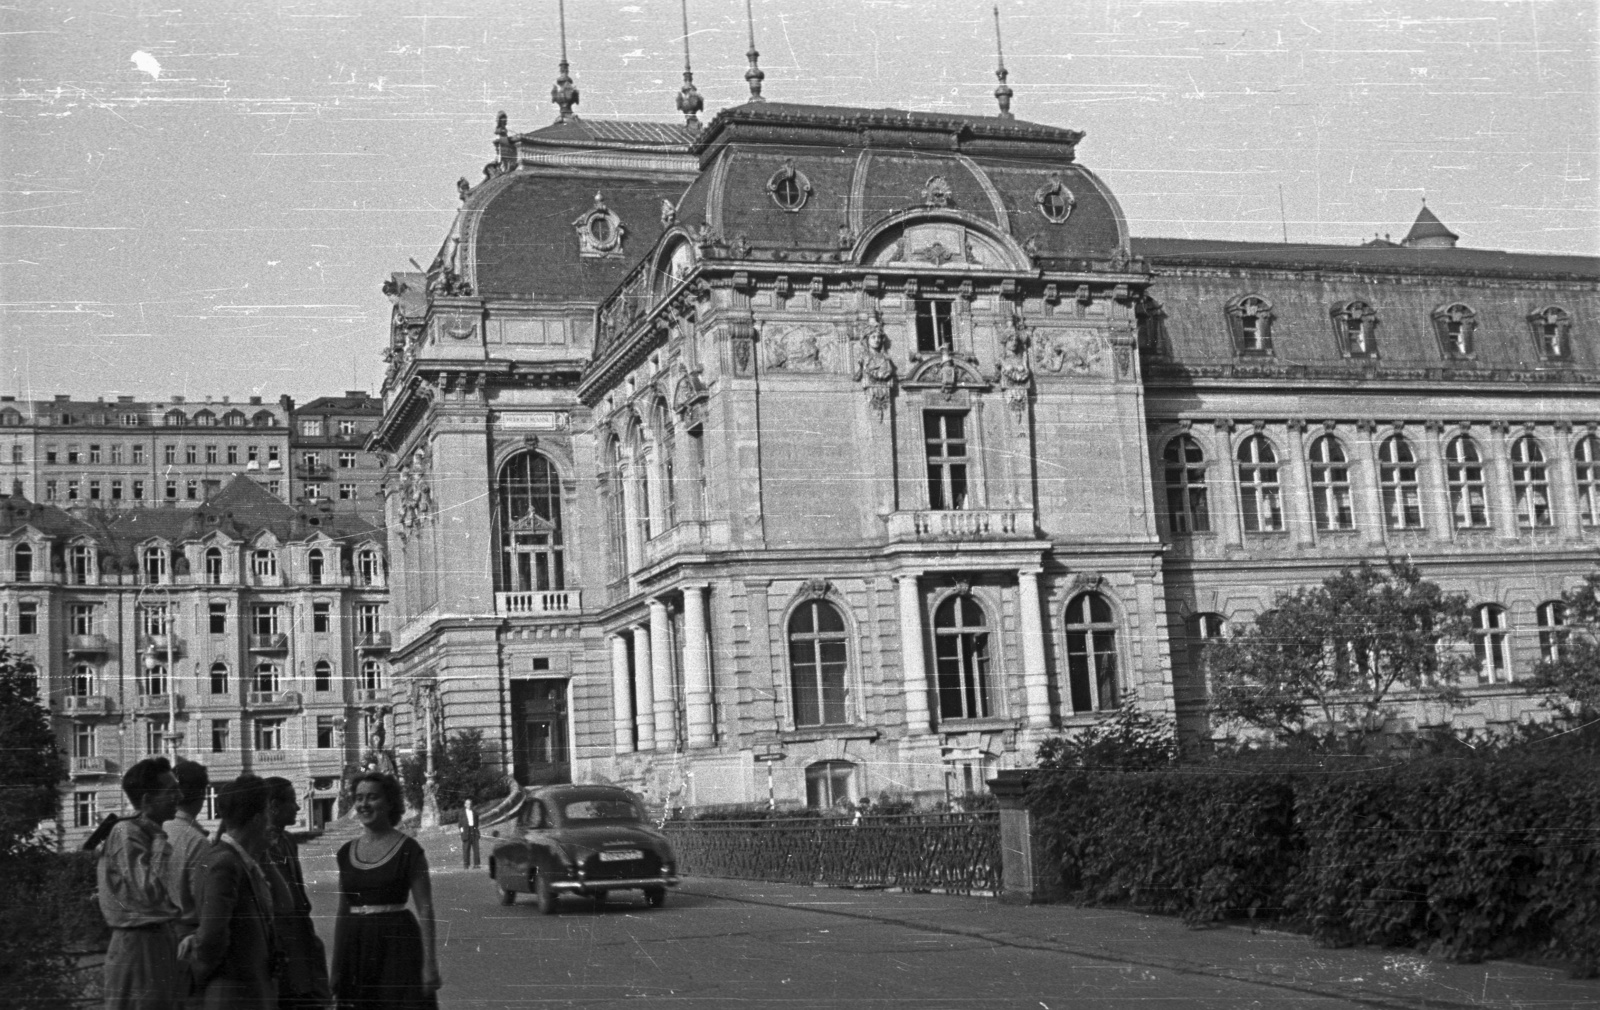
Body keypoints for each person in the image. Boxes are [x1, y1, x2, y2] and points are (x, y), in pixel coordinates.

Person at [332, 771, 441, 1009]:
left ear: (390, 802)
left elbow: (425, 908)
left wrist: (430, 964)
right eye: (359, 798)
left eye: (372, 797)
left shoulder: (409, 850)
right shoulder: (345, 852)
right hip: (356, 947)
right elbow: (342, 911)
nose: (364, 804)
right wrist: (337, 968)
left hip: (398, 946)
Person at [98, 756, 183, 1010]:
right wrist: (158, 840)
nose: (179, 796)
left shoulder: (142, 831)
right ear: (147, 801)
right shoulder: (127, 833)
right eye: (171, 791)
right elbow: (150, 891)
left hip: (155, 940)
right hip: (138, 946)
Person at [188, 775, 278, 1010]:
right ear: (258, 819)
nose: (272, 821)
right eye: (269, 812)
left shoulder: (239, 859)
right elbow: (210, 938)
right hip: (233, 997)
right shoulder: (224, 863)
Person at [262, 777, 331, 1010]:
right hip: (278, 945)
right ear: (273, 805)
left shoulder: (288, 841)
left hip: (303, 939)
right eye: (292, 801)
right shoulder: (260, 845)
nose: (298, 807)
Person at [165, 761, 211, 945]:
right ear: (202, 794)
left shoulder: (156, 829)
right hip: (188, 937)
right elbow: (205, 902)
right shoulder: (196, 841)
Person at [459, 798, 480, 870]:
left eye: (470, 803)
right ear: (465, 805)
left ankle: (477, 864)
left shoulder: (475, 812)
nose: (469, 805)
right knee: (466, 849)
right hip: (466, 832)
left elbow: (477, 823)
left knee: (476, 849)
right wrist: (462, 834)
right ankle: (466, 865)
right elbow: (460, 825)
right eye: (467, 803)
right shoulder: (462, 813)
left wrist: (476, 830)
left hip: (473, 831)